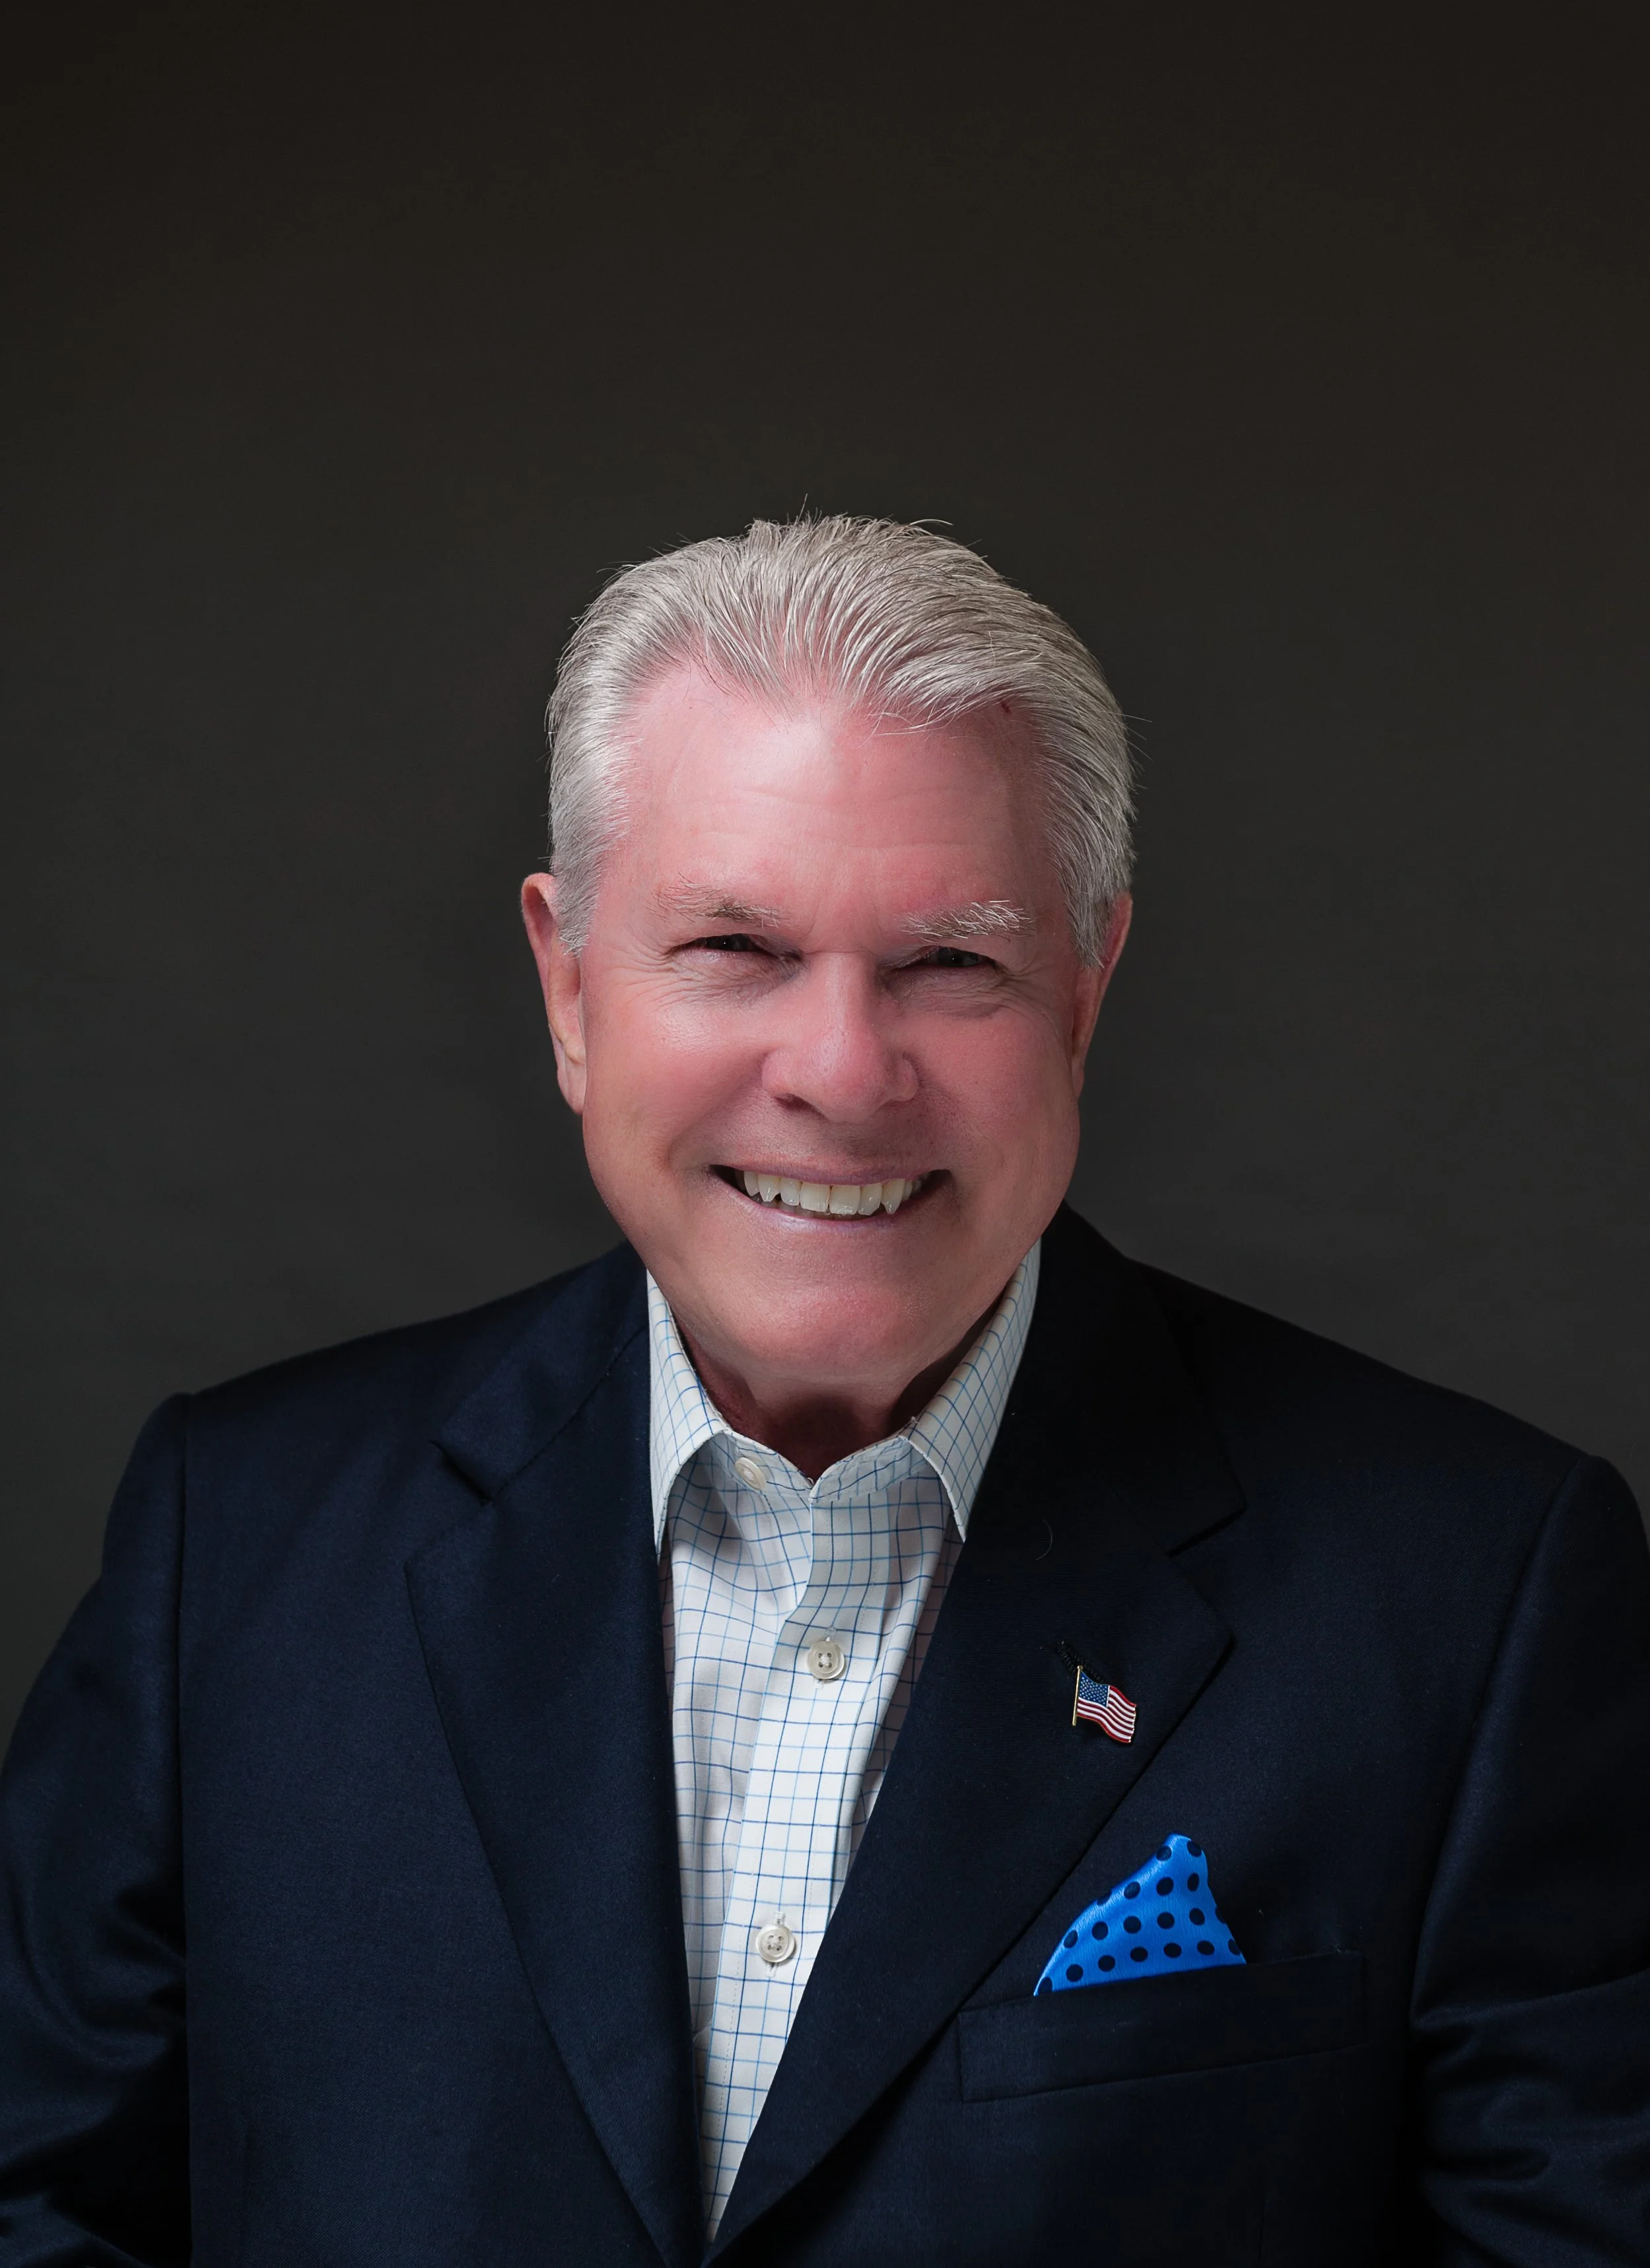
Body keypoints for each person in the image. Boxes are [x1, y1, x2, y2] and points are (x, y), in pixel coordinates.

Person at [1, 516, 1646, 2267]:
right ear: (568, 988)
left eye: (951, 963)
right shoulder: (232, 1546)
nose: (844, 1073)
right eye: (732, 950)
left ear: (1085, 993)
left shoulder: (1478, 1595)